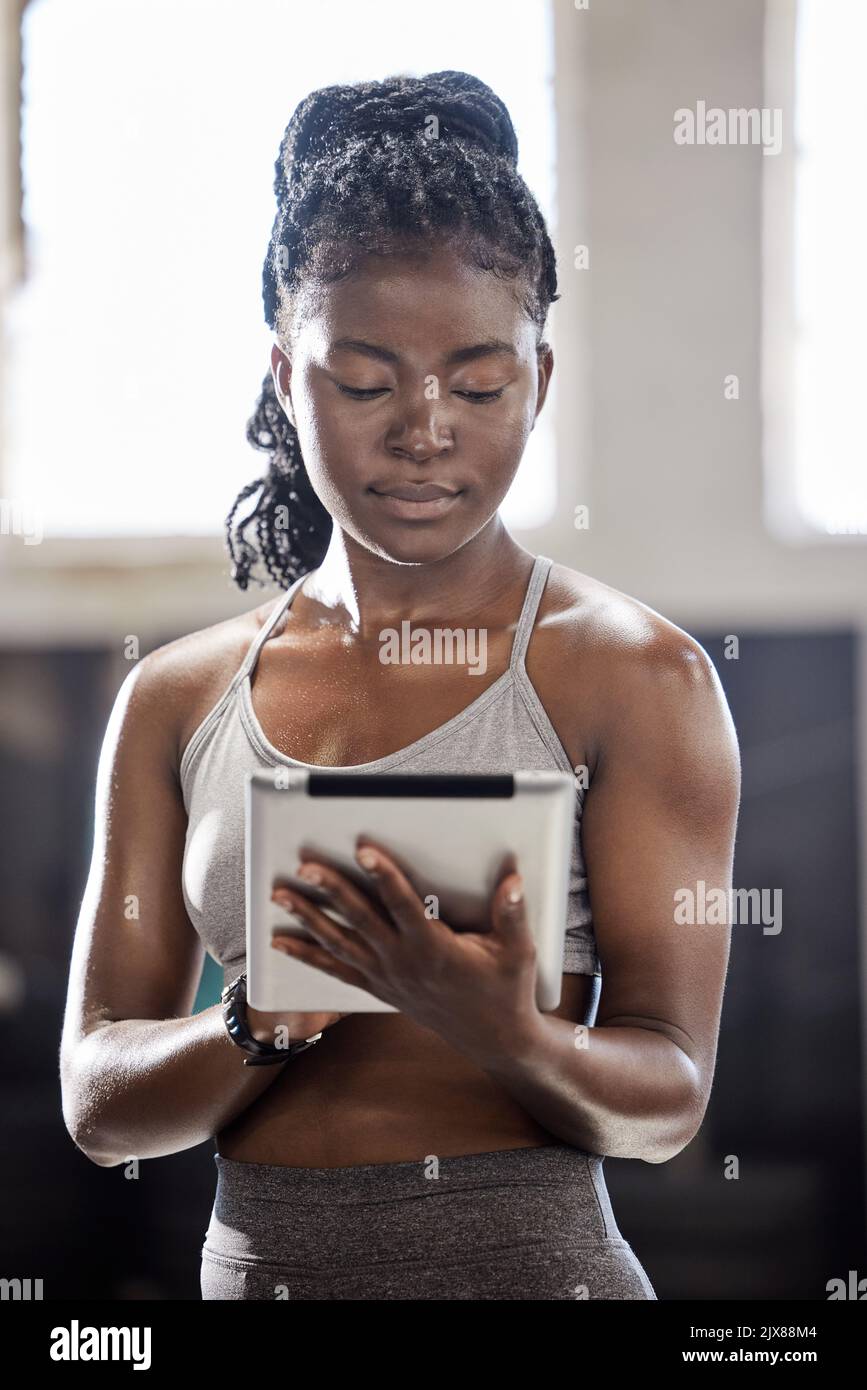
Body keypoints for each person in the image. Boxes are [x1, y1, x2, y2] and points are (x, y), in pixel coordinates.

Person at [59, 70, 740, 1301]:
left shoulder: (638, 678)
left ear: (540, 375)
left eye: (479, 385)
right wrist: (258, 1021)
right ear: (283, 373)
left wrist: (507, 1029)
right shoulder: (176, 699)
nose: (425, 430)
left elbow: (669, 1105)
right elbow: (101, 1106)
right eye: (363, 382)